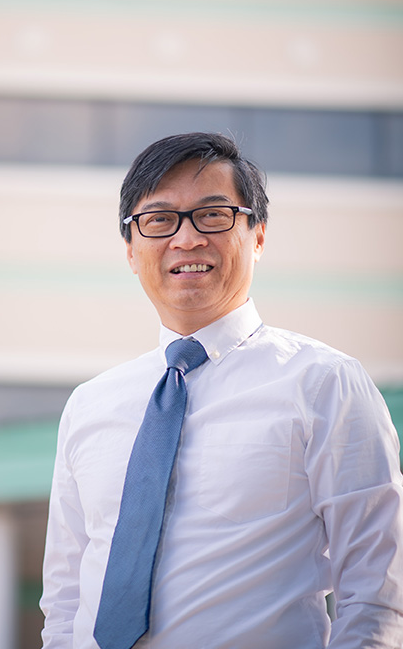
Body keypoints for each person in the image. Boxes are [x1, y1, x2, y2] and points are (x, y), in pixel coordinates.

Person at [40, 132, 403, 649]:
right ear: (130, 247)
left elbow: (377, 593)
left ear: (257, 235)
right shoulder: (90, 405)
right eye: (159, 220)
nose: (186, 240)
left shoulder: (324, 384)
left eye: (213, 215)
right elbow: (65, 601)